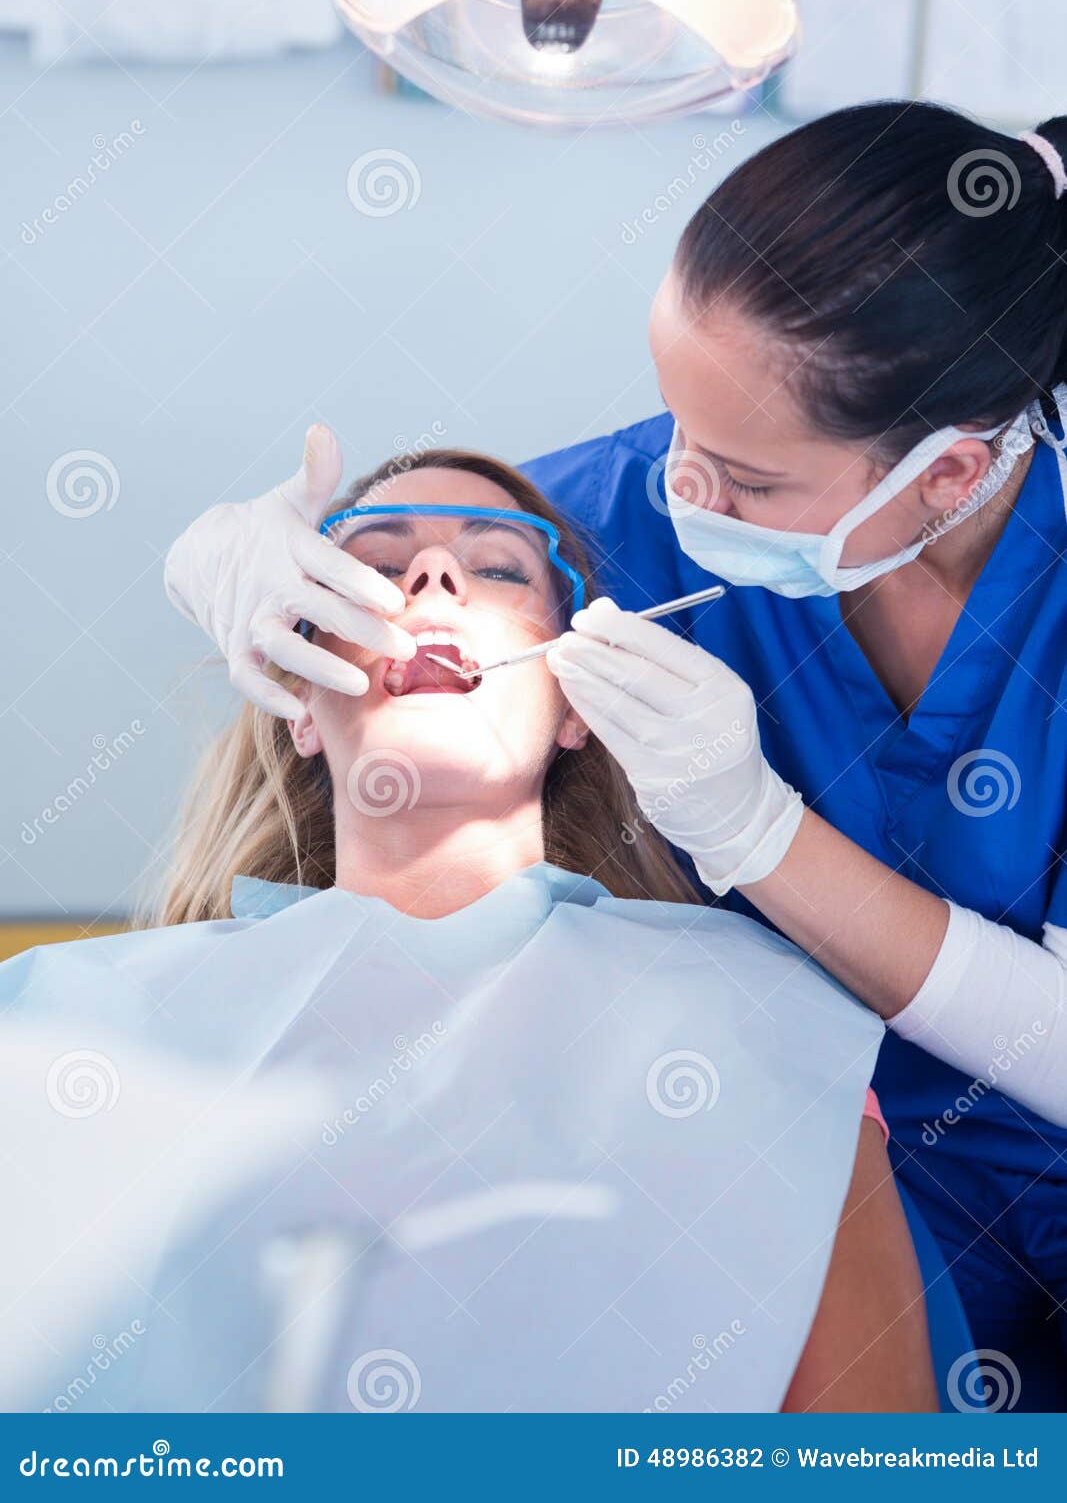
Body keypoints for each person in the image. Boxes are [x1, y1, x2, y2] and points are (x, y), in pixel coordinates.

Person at [163, 102, 1067, 1407]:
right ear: (302, 711)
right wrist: (215, 561)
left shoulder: (749, 1085)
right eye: (669, 427)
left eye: (745, 480)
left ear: (949, 470)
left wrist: (761, 837)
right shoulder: (607, 527)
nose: (677, 493)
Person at [3, 449, 932, 1414]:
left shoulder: (768, 1023)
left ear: (576, 705)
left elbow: (873, 1452)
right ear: (300, 710)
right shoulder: (71, 1024)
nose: (431, 579)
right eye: (369, 569)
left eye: (495, 567)